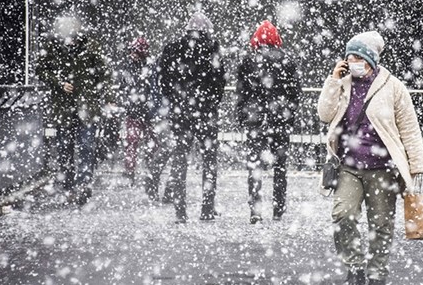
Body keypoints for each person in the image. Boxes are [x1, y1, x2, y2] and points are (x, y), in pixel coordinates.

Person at [316, 31, 423, 285]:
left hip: (382, 168)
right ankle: (354, 266)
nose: (353, 61)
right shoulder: (343, 84)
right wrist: (333, 80)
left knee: (381, 225)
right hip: (348, 166)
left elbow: (409, 128)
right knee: (342, 215)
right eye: (349, 57)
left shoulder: (393, 87)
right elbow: (324, 113)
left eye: (357, 56)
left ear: (370, 58)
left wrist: (417, 165)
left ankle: (377, 272)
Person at [36, 15, 115, 206]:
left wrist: (104, 96)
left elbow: (105, 74)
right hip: (65, 107)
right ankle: (70, 186)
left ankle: (83, 185)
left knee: (86, 147)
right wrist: (59, 82)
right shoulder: (53, 47)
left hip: (85, 106)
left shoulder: (89, 47)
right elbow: (40, 70)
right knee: (66, 148)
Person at [155, 12, 225, 223]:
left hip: (180, 113)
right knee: (209, 161)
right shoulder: (213, 50)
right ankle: (206, 207)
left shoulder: (172, 49)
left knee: (179, 159)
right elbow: (219, 82)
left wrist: (176, 102)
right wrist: (209, 103)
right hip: (205, 114)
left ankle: (180, 211)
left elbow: (163, 81)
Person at [236, 20, 301, 224]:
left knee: (254, 166)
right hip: (280, 120)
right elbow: (295, 93)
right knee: (280, 167)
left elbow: (242, 93)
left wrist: (243, 115)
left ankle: (255, 209)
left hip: (256, 121)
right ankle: (278, 208)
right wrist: (289, 114)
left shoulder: (248, 61)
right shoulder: (287, 61)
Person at [119, 37, 159, 185]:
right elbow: (125, 85)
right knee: (132, 142)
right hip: (136, 110)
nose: (132, 54)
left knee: (150, 143)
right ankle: (131, 171)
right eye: (131, 51)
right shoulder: (130, 67)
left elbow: (154, 87)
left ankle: (147, 167)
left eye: (135, 51)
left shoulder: (149, 67)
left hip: (146, 111)